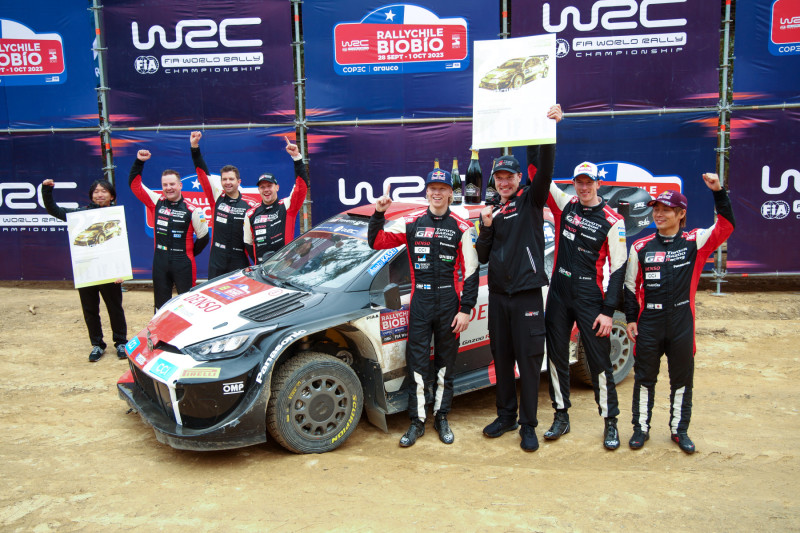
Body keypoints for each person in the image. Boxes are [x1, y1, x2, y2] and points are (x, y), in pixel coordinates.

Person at [624, 173, 735, 453]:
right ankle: (640, 429)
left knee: (682, 381)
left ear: (681, 214)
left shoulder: (695, 241)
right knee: (644, 379)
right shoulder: (640, 247)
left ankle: (679, 430)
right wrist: (630, 319)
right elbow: (629, 287)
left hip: (681, 322)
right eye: (656, 209)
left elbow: (726, 226)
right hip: (649, 322)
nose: (659, 214)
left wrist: (718, 192)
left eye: (666, 210)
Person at [368, 169, 479, 447]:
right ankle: (417, 421)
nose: (437, 193)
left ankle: (441, 417)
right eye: (433, 188)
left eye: (442, 188)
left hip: (450, 304)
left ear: (450, 193)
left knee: (445, 365)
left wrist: (466, 309)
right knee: (417, 364)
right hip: (421, 302)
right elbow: (377, 241)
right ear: (426, 192)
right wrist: (379, 213)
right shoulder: (411, 222)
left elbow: (472, 271)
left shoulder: (463, 227)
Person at [475, 104, 563, 452]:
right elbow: (483, 256)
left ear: (518, 178)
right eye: (499, 177)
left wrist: (549, 131)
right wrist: (485, 227)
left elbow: (545, 170)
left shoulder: (531, 199)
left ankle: (528, 425)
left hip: (527, 295)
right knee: (502, 359)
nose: (505, 182)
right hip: (498, 297)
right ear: (494, 180)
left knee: (528, 363)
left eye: (510, 176)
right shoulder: (491, 211)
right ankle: (506, 416)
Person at [542, 161, 627, 450]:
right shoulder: (566, 204)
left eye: (589, 182)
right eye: (579, 182)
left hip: (590, 296)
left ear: (598, 184)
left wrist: (608, 311)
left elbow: (618, 269)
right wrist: (542, 137)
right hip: (559, 292)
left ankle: (610, 420)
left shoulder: (613, 220)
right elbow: (538, 173)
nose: (584, 187)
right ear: (574, 184)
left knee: (598, 360)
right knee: (556, 356)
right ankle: (561, 416)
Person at [42, 178, 128, 362]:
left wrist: (121, 271)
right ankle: (97, 344)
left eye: (104, 191)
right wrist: (47, 191)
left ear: (112, 196)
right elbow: (54, 210)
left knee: (115, 308)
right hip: (86, 271)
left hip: (110, 272)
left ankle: (121, 342)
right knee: (90, 309)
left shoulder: (116, 216)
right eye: (96, 191)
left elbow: (121, 246)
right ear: (91, 195)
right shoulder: (80, 214)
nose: (100, 194)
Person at [129, 150, 209, 311]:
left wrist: (188, 254)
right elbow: (135, 185)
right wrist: (139, 162)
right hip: (160, 262)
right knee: (161, 306)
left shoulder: (193, 210)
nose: (168, 188)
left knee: (187, 305)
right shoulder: (156, 201)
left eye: (172, 184)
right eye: (165, 185)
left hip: (184, 263)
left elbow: (204, 237)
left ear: (180, 185)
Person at [190, 131, 256, 279]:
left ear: (238, 182)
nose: (227, 182)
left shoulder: (249, 206)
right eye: (224, 179)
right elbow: (202, 174)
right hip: (217, 258)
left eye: (231, 179)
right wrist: (195, 148)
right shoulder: (216, 198)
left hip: (239, 258)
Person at [243, 138, 309, 263]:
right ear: (259, 190)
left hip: (285, 266)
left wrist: (297, 158)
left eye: (269, 186)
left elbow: (302, 187)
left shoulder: (287, 206)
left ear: (277, 187)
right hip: (261, 269)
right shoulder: (250, 214)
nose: (266, 190)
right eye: (262, 187)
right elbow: (248, 243)